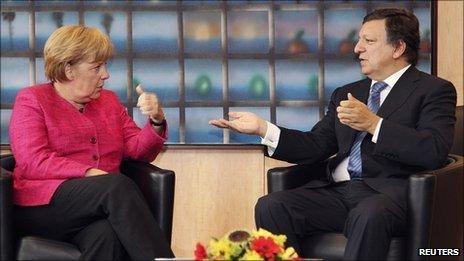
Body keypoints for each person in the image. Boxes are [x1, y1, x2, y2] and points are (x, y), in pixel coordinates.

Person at [210, 8, 456, 260]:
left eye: (368, 41)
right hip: (339, 191)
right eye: (359, 40)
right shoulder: (348, 92)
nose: (357, 48)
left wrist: (374, 124)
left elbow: (433, 150)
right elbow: (317, 145)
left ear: (398, 48)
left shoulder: (434, 90)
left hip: (390, 194)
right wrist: (262, 128)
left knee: (369, 213)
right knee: (272, 205)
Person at [9, 25, 174, 260]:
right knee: (117, 185)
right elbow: (33, 161)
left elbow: (138, 149)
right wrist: (88, 172)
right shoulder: (32, 100)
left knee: (105, 235)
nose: (105, 74)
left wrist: (157, 120)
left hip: (98, 205)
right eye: (97, 67)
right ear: (68, 70)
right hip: (42, 206)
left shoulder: (109, 102)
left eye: (105, 66)